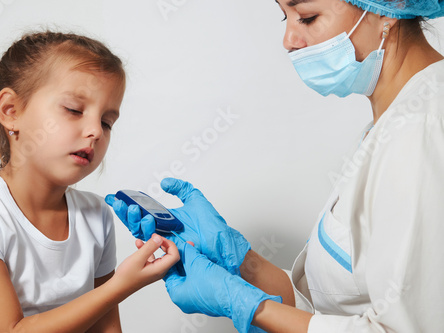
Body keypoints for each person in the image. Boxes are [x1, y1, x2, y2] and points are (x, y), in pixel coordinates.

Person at [108, 0, 444, 332]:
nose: (288, 39)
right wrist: (242, 262)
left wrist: (250, 307)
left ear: (388, 8)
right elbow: (334, 312)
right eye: (286, 17)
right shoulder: (393, 123)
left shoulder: (422, 129)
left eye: (307, 17)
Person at [0, 31, 179, 333]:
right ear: (11, 111)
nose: (95, 130)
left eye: (107, 122)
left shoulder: (96, 215)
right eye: (73, 110)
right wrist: (120, 286)